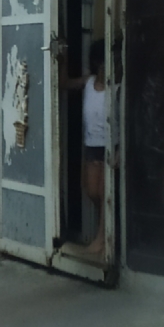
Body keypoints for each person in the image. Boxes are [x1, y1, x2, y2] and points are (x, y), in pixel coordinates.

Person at [62, 39, 109, 259]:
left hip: (109, 147)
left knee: (103, 192)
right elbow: (65, 83)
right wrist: (61, 55)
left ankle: (102, 241)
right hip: (91, 146)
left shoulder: (117, 86)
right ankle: (108, 233)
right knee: (92, 191)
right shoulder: (89, 82)